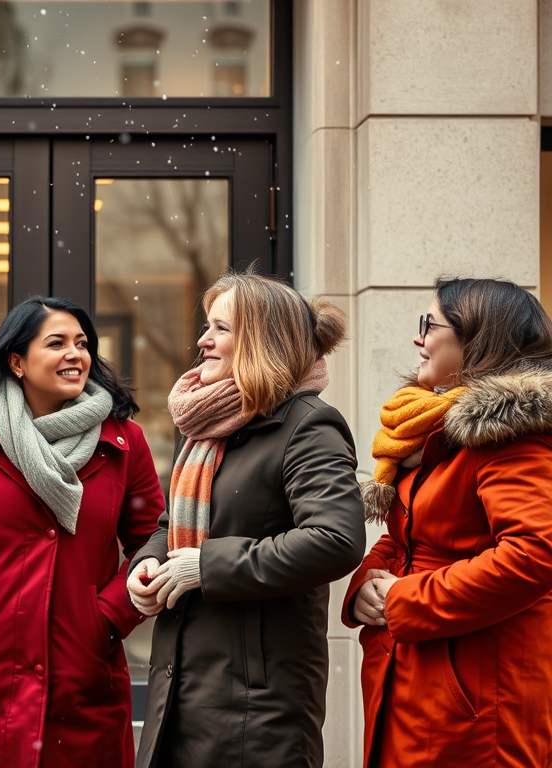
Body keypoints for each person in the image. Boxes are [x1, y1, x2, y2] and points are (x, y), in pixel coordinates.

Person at [126, 270, 366, 768]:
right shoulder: (209, 425)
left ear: (260, 340)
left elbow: (336, 539)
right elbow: (172, 525)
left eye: (220, 329)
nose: (203, 340)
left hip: (257, 701)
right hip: (184, 682)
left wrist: (206, 567)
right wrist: (147, 566)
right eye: (206, 327)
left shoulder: (308, 424)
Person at [0, 296, 164, 768]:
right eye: (56, 343)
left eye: (82, 344)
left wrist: (107, 617)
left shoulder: (122, 440)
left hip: (85, 673)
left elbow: (153, 540)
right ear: (16, 361)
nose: (75, 355)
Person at [343, 277, 552, 768]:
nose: (418, 338)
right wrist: (367, 584)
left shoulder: (512, 435)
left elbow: (536, 553)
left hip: (477, 693)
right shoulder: (437, 430)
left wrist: (403, 599)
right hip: (420, 676)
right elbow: (407, 539)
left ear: (477, 339)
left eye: (429, 325)